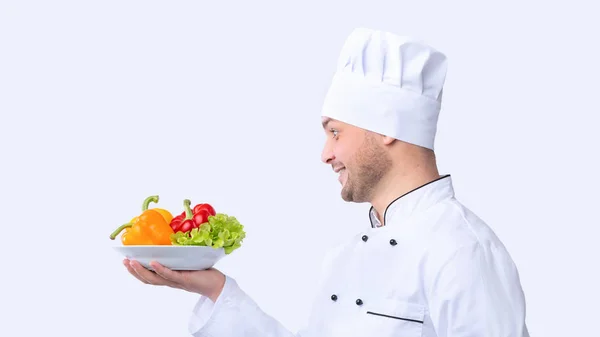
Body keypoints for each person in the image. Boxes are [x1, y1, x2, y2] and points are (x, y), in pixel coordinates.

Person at [123, 27, 530, 337]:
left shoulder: (462, 252)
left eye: (335, 132)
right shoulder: (345, 257)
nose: (325, 154)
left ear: (385, 127)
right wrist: (215, 290)